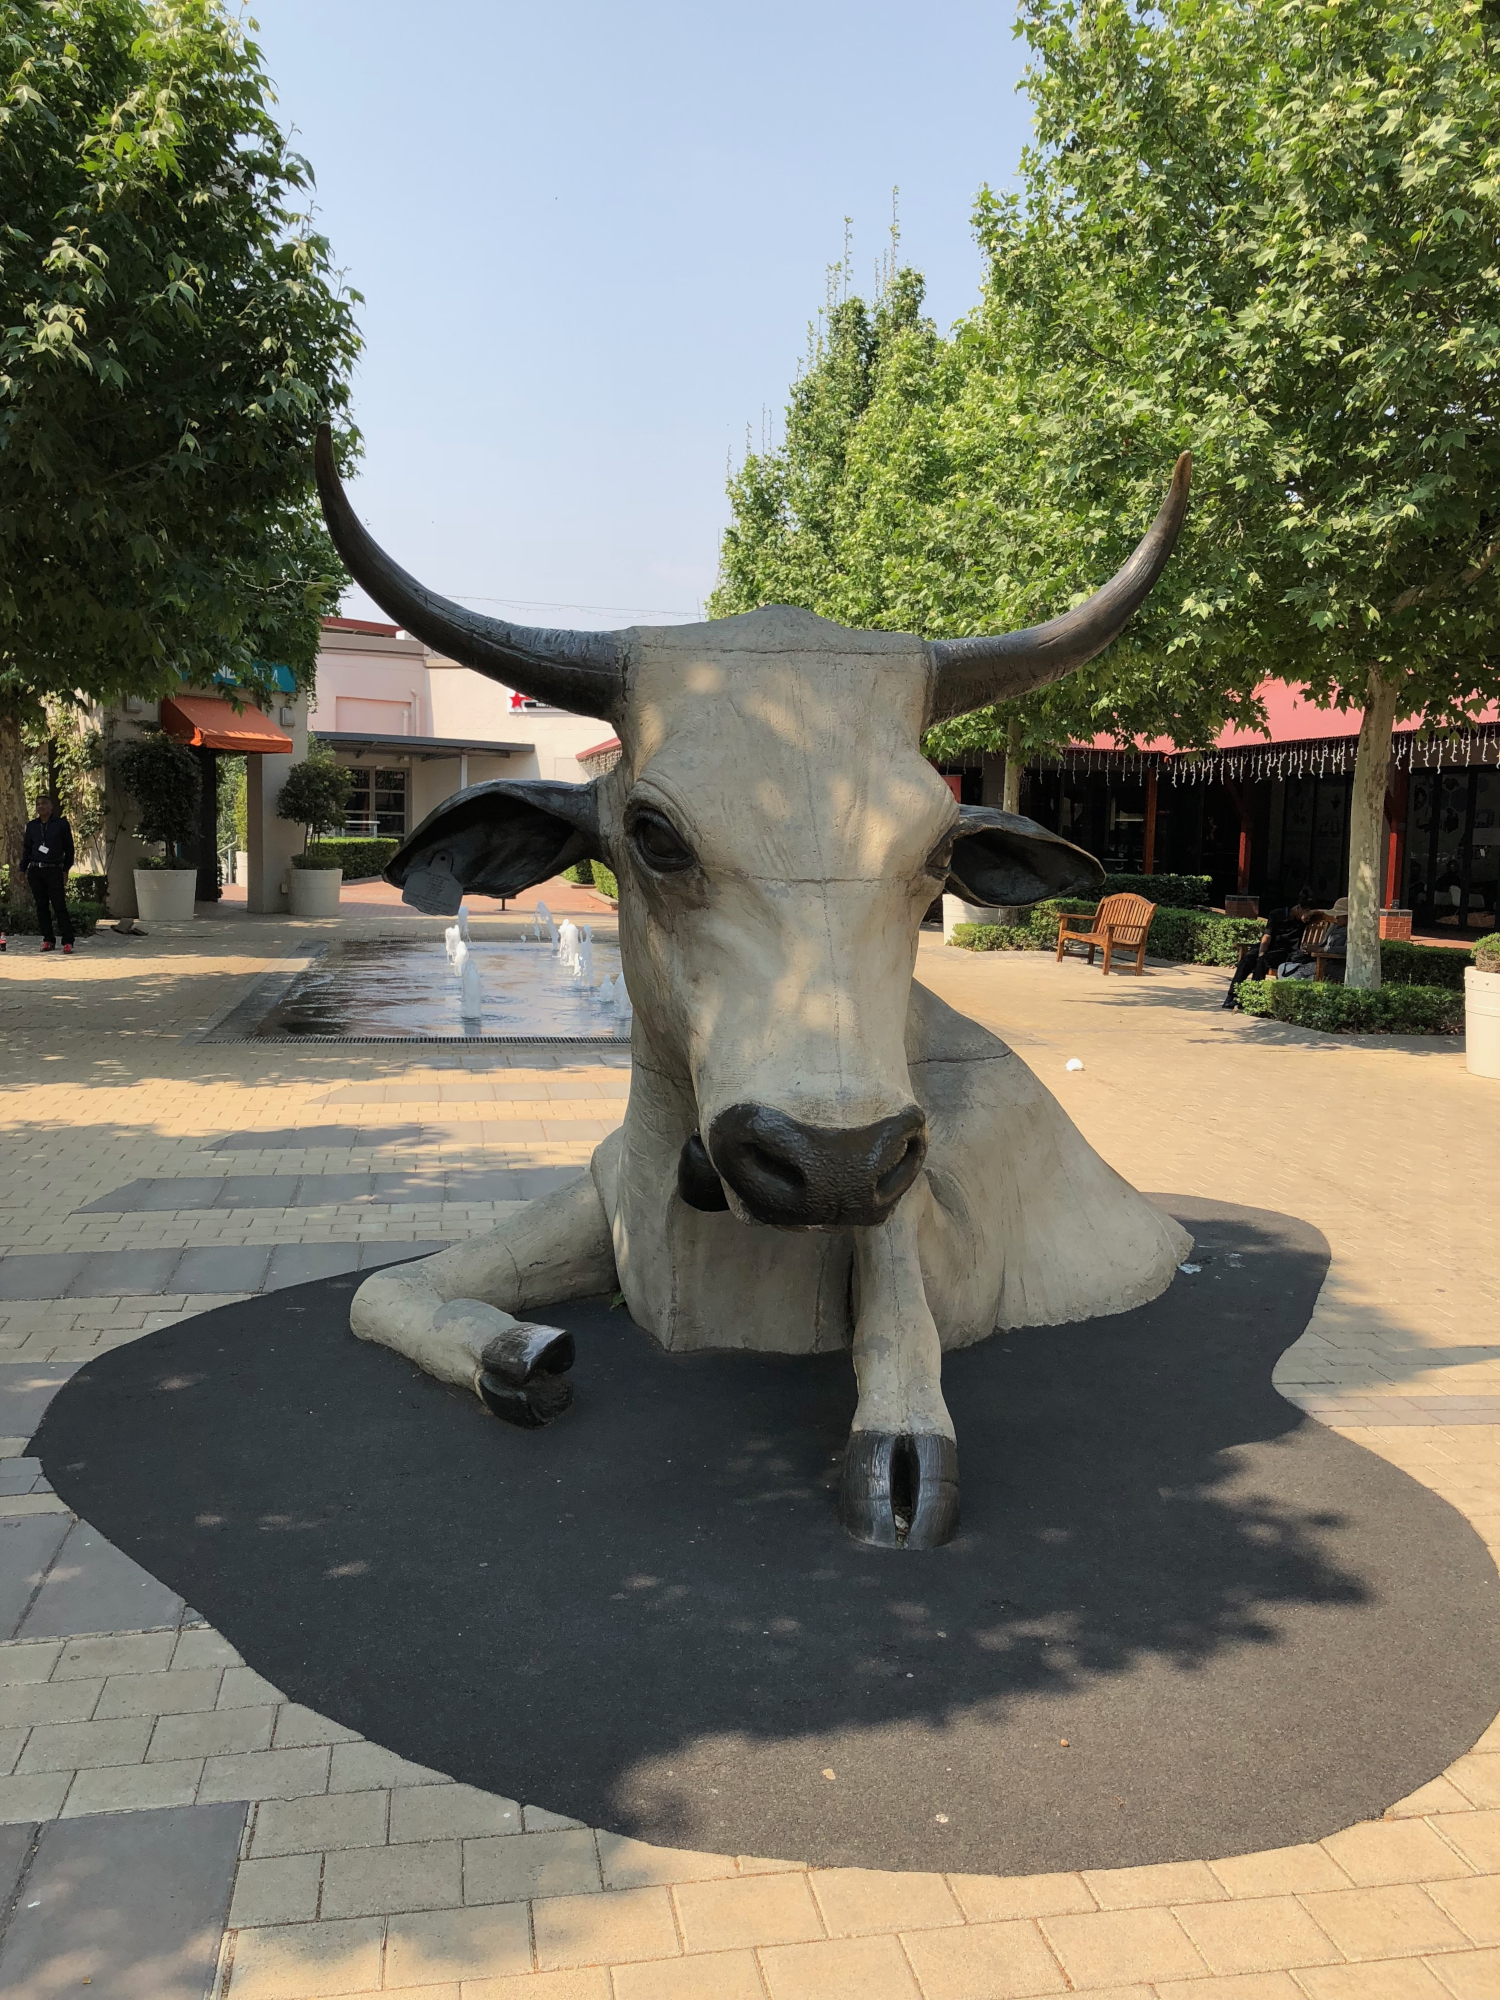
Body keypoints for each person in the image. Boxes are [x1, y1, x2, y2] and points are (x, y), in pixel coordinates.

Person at [1222, 889, 1317, 1009]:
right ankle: (1232, 995)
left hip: (1285, 952)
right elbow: (1267, 937)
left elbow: (1326, 912)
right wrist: (1261, 953)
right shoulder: (1276, 914)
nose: (1307, 917)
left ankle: (1253, 996)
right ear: (1298, 908)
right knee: (1248, 958)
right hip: (1269, 946)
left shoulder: (1304, 921)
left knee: (1263, 961)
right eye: (1306, 912)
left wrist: (1311, 913)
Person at [21, 793, 76, 953]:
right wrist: (22, 869)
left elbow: (69, 849)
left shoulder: (61, 824)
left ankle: (67, 941)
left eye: (44, 803)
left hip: (54, 869)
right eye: (38, 804)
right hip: (35, 870)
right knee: (41, 906)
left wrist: (65, 869)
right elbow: (27, 849)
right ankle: (48, 939)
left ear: (51, 806)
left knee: (59, 905)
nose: (41, 806)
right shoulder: (32, 826)